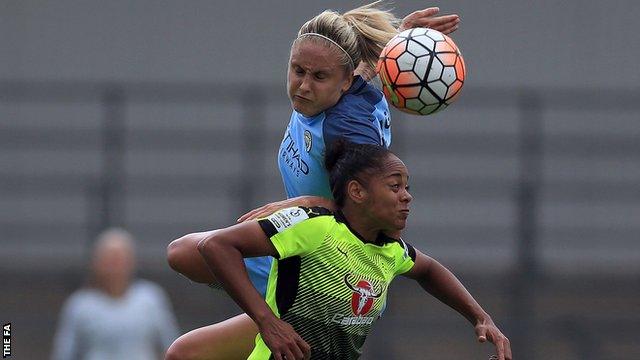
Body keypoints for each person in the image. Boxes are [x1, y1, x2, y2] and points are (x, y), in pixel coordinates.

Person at [166, 3, 461, 359]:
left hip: (330, 265)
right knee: (185, 353)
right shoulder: (354, 85)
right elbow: (362, 70)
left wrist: (301, 203)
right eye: (297, 70)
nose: (303, 85)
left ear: (344, 81)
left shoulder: (346, 129)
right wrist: (396, 47)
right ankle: (283, 316)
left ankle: (295, 313)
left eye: (318, 76)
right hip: (306, 250)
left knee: (188, 254)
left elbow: (363, 207)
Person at [197, 140, 512, 360]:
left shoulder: (390, 251)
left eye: (407, 187)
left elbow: (429, 270)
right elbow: (217, 245)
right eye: (395, 186)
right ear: (357, 191)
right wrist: (267, 321)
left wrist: (480, 317)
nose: (407, 197)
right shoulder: (315, 227)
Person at [52, 228, 179, 360]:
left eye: (119, 259)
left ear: (132, 261)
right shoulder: (80, 305)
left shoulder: (150, 298)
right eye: (109, 260)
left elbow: (170, 344)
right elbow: (65, 352)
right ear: (96, 263)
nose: (115, 267)